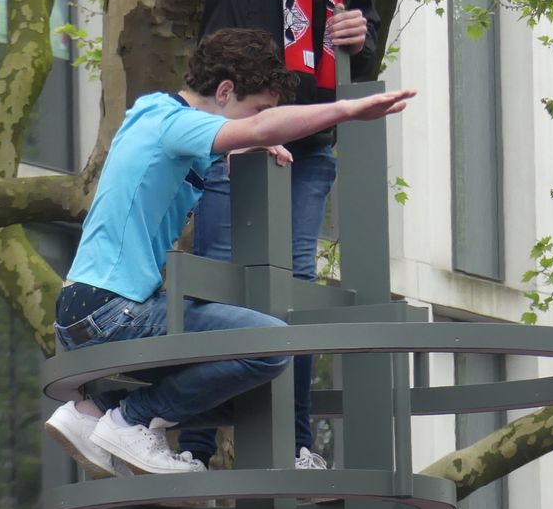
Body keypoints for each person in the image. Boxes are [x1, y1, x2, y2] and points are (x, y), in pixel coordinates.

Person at [45, 28, 414, 476]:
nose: (261, 119)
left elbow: (209, 145)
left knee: (237, 391)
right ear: (224, 91)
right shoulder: (170, 122)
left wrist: (239, 141)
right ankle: (130, 420)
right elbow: (252, 128)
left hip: (79, 312)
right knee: (271, 343)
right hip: (113, 311)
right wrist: (346, 110)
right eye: (259, 107)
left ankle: (93, 414)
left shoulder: (150, 115)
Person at [182, 0, 381, 471]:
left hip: (309, 136)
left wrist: (364, 34)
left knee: (292, 290)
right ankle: (196, 444)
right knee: (225, 277)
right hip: (239, 122)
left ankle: (294, 442)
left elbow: (365, 39)